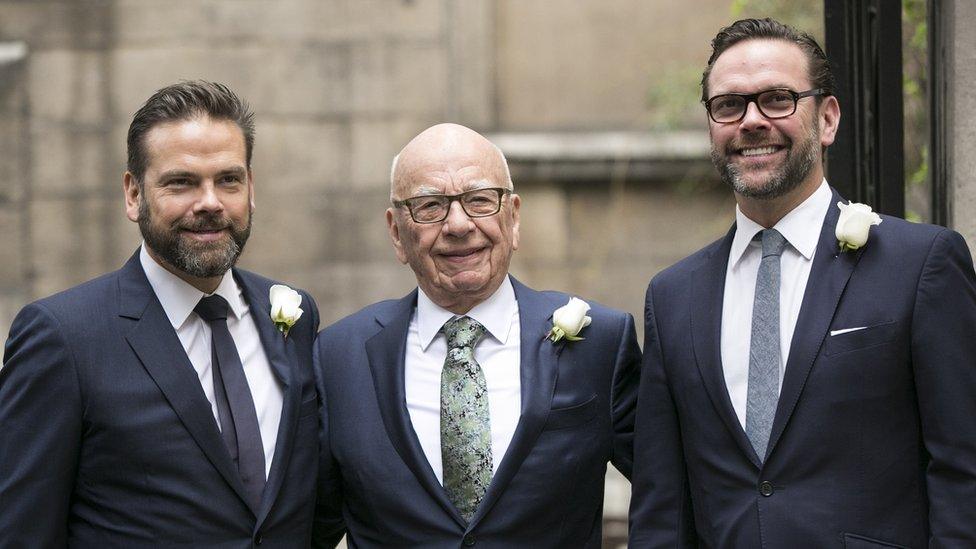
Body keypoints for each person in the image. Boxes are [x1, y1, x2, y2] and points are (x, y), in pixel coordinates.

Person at [628, 18, 976, 548]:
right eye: (729, 106)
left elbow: (963, 470)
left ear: (828, 118)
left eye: (777, 99)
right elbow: (661, 506)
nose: (751, 121)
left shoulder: (921, 264)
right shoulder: (674, 296)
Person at [0, 80, 329, 547]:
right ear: (134, 194)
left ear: (251, 188)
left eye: (228, 180)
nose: (210, 202)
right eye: (182, 182)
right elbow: (21, 530)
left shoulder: (295, 317)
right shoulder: (63, 338)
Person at [312, 123, 640, 547]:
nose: (458, 224)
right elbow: (308, 527)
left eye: (480, 200)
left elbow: (670, 496)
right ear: (397, 233)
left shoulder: (600, 342)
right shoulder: (339, 357)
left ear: (514, 217)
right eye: (429, 206)